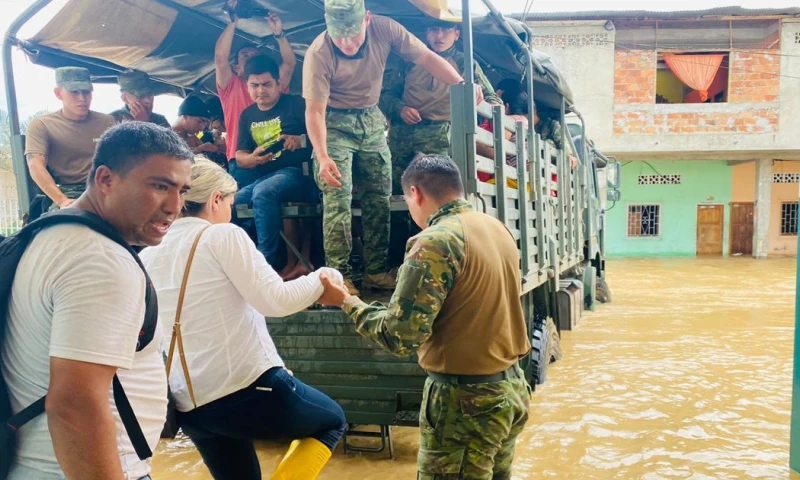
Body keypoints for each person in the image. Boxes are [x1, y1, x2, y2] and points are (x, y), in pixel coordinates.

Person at [319, 154, 532, 479]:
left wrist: (347, 301)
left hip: (465, 402)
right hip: (511, 389)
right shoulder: (496, 227)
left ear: (415, 193)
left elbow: (400, 336)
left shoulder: (435, 241)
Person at [2, 122, 194, 479]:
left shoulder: (50, 234)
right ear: (105, 179)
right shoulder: (101, 260)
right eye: (159, 186)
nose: (174, 206)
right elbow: (75, 406)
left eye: (182, 190)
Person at [140, 158, 347, 480]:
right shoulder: (222, 235)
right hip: (248, 389)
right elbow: (276, 300)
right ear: (215, 199)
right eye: (230, 203)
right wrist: (326, 276)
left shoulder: (148, 253)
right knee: (332, 421)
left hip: (189, 406)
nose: (231, 212)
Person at [303, 0, 465, 295]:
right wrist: (323, 156)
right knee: (338, 196)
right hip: (334, 123)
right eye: (339, 36)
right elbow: (314, 111)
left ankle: (376, 272)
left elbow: (426, 58)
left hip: (372, 120)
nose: (347, 43)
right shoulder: (318, 53)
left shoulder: (386, 29)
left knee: (379, 197)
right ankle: (340, 276)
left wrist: (462, 85)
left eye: (353, 34)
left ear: (367, 19)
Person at [380, 18, 498, 194]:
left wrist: (489, 104)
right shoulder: (409, 60)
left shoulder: (465, 63)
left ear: (456, 34)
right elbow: (386, 95)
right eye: (434, 29)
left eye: (446, 30)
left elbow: (492, 98)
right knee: (397, 191)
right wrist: (401, 108)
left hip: (440, 137)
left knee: (435, 189)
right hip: (402, 136)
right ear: (427, 33)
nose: (439, 36)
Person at [233, 54, 317, 274]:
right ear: (247, 86)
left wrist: (301, 141)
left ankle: (265, 264)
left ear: (279, 83)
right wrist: (254, 159)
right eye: (255, 85)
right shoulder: (247, 115)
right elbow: (240, 156)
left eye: (267, 84)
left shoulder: (296, 104)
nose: (261, 90)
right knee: (230, 201)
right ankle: (233, 261)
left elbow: (324, 136)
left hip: (298, 175)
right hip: (263, 176)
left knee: (262, 192)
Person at [25, 67, 117, 210]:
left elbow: (124, 159)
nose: (82, 98)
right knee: (64, 221)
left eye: (86, 92)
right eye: (74, 92)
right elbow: (36, 166)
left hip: (107, 188)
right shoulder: (42, 125)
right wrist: (62, 200)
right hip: (69, 192)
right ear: (58, 93)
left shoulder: (108, 122)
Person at [215, 3, 296, 163]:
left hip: (277, 157)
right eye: (245, 55)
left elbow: (289, 63)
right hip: (241, 160)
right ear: (236, 68)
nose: (251, 59)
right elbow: (220, 58)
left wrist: (279, 34)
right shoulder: (231, 85)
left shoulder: (272, 83)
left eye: (255, 56)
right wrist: (233, 21)